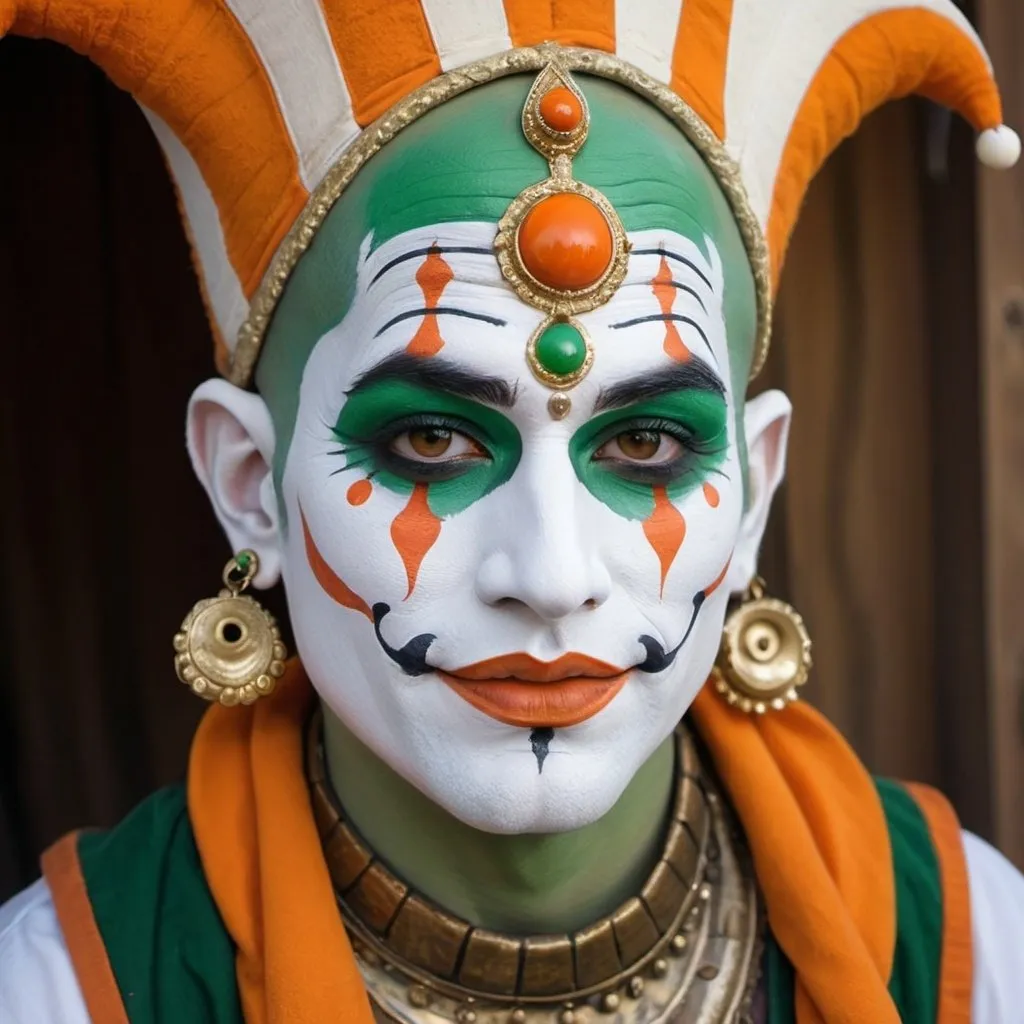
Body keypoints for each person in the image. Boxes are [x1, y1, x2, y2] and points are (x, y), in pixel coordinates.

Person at [0, 2, 1022, 1022]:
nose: (551, 573)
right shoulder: (61, 990)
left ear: (754, 486)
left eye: (644, 444)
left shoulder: (974, 952)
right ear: (246, 485)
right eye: (433, 443)